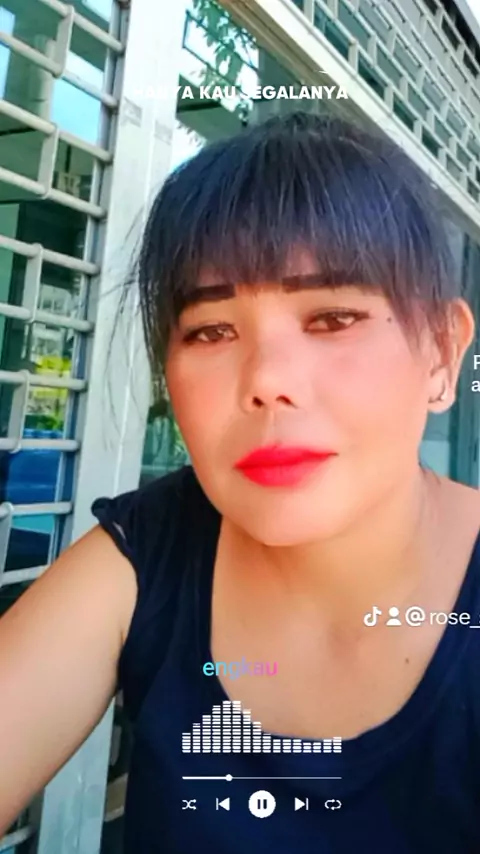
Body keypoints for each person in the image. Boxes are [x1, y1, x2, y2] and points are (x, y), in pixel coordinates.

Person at [0, 111, 479, 853]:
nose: (265, 380)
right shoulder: (148, 553)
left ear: (442, 353)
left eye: (333, 317)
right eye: (211, 331)